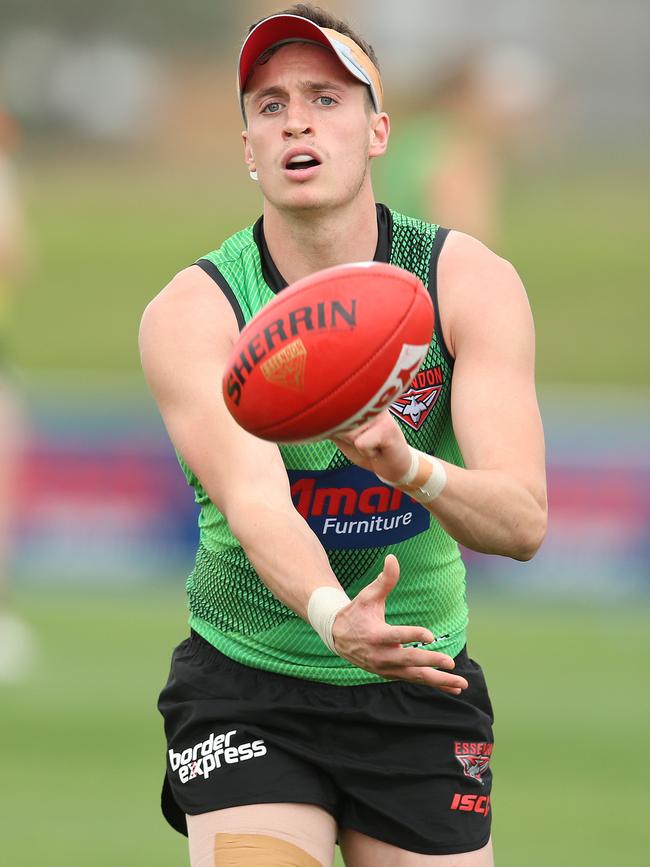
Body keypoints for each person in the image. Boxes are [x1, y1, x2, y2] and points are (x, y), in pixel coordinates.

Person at [139, 4, 547, 865]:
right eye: (270, 103)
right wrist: (334, 617)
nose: (296, 119)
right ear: (249, 146)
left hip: (419, 678)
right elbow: (256, 501)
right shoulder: (195, 312)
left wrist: (412, 467)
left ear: (378, 130)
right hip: (248, 681)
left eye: (326, 98)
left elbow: (522, 521)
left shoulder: (466, 283)